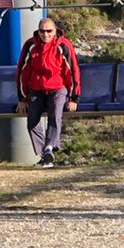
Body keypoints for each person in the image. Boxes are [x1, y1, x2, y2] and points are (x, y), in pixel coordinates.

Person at [14, 18, 80, 168]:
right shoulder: (30, 45)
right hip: (36, 89)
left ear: (55, 31)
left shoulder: (63, 46)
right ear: (38, 32)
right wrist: (22, 98)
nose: (45, 34)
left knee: (55, 113)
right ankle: (45, 153)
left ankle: (50, 146)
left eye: (49, 31)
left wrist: (73, 98)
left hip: (58, 87)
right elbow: (22, 71)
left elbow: (72, 71)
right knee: (32, 121)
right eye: (42, 31)